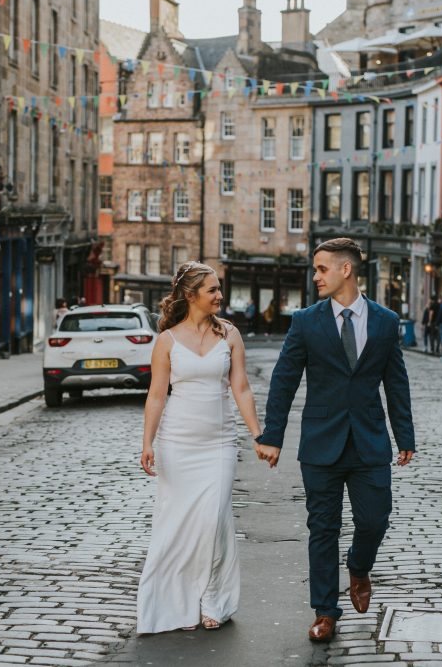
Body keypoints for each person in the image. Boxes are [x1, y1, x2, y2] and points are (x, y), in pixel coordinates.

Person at [257, 237, 415, 643]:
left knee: (374, 520)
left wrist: (404, 435)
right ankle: (325, 612)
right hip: (321, 443)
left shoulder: (384, 321)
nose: (316, 277)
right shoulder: (306, 321)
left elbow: (396, 383)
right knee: (322, 528)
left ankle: (359, 567)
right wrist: (272, 434)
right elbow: (284, 380)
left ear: (346, 270)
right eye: (315, 269)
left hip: (369, 442)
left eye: (322, 269)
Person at [137, 261, 263, 633]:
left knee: (214, 519)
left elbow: (241, 388)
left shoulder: (230, 335)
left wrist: (258, 434)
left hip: (220, 443)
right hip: (177, 442)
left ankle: (213, 598)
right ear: (191, 295)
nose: (220, 296)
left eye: (219, 288)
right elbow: (157, 395)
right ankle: (176, 602)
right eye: (212, 290)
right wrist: (148, 442)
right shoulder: (167, 341)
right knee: (177, 525)